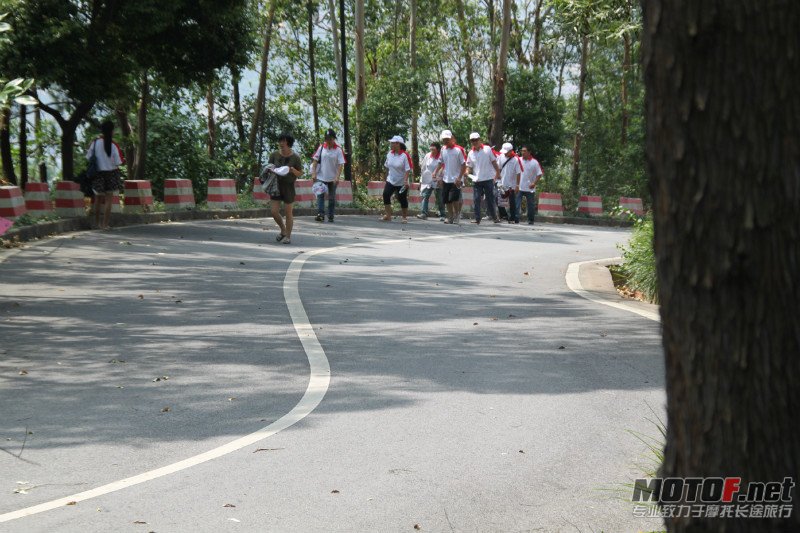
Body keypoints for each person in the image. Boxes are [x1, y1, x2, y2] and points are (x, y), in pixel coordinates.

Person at [265, 133, 303, 244]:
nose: (281, 143)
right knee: (274, 211)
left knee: (288, 212)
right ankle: (283, 229)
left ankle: (288, 236)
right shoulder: (274, 155)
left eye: (284, 141)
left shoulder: (295, 157)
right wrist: (271, 170)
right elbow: (268, 167)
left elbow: (300, 173)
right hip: (275, 185)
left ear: (289, 143)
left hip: (288, 186)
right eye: (280, 141)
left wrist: (292, 170)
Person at [86, 120, 123, 230]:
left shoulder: (95, 142)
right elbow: (118, 162)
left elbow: (88, 157)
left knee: (97, 199)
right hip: (111, 173)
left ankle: (96, 223)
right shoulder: (114, 145)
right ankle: (105, 224)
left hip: (98, 173)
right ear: (111, 131)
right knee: (108, 200)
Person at [311, 129, 346, 222]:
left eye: (330, 139)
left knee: (331, 198)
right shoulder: (322, 147)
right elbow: (315, 160)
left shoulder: (338, 149)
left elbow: (340, 164)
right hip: (321, 176)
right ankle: (321, 214)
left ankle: (330, 215)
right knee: (320, 196)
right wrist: (314, 173)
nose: (328, 141)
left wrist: (337, 177)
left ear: (334, 139)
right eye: (327, 139)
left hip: (332, 178)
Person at [465, 132, 501, 224]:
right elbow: (469, 166)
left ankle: (494, 217)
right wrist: (467, 173)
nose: (474, 142)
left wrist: (497, 172)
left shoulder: (487, 149)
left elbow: (494, 162)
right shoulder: (470, 153)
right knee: (476, 199)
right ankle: (477, 219)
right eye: (472, 140)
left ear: (479, 139)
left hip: (488, 178)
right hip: (477, 179)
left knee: (490, 199)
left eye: (476, 140)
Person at [381, 135, 413, 223]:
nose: (391, 144)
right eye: (391, 143)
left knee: (402, 199)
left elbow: (408, 169)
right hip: (390, 180)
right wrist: (385, 178)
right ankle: (388, 215)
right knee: (386, 195)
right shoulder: (389, 154)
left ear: (398, 144)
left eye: (393, 143)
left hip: (402, 182)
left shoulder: (404, 155)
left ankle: (404, 217)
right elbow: (387, 167)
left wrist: (406, 181)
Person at [438, 130, 467, 224]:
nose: (445, 141)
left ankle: (457, 214)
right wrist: (437, 174)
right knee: (447, 200)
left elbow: (463, 165)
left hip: (456, 179)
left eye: (447, 139)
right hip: (446, 178)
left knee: (454, 199)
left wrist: (459, 177)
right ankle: (450, 216)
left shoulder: (459, 149)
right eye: (444, 139)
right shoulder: (443, 149)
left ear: (451, 138)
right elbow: (441, 162)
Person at [417, 142, 446, 220]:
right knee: (425, 196)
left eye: (434, 149)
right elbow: (423, 168)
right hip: (428, 180)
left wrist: (441, 179)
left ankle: (442, 214)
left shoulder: (442, 156)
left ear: (438, 149)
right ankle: (424, 213)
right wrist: (421, 180)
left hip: (438, 180)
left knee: (440, 198)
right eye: (431, 149)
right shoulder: (427, 156)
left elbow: (443, 168)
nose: (432, 151)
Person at [497, 142, 523, 224]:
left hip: (512, 184)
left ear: (511, 151)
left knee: (512, 202)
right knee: (497, 199)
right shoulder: (501, 157)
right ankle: (504, 215)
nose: (504, 153)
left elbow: (518, 173)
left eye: (506, 151)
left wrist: (517, 185)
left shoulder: (516, 160)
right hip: (502, 183)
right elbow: (498, 168)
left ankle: (513, 218)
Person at [517, 146, 544, 225]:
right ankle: (516, 218)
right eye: (522, 151)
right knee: (517, 203)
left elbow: (539, 174)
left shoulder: (534, 162)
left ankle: (530, 220)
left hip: (530, 187)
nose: (523, 152)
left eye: (525, 151)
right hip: (519, 186)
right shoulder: (518, 160)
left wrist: (534, 183)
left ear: (529, 152)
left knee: (531, 205)